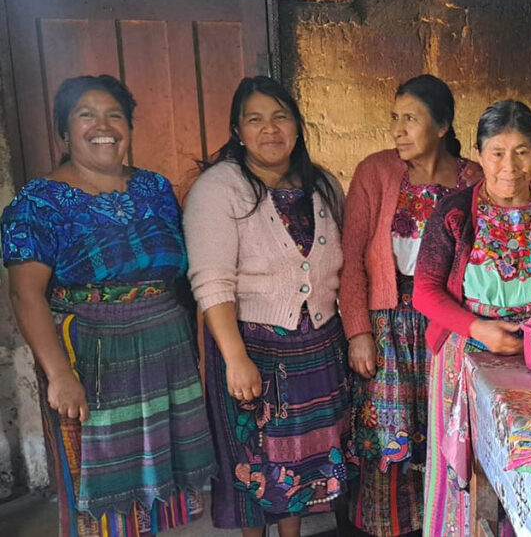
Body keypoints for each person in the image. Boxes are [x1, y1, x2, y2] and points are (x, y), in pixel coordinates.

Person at [1, 75, 216, 537]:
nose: (103, 126)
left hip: (164, 347)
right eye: (87, 115)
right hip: (92, 356)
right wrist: (59, 375)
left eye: (114, 115)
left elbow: (181, 272)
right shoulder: (37, 203)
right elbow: (25, 294)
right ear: (64, 132)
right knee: (101, 488)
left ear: (129, 128)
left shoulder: (155, 188)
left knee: (162, 482)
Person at [412, 100, 531, 536]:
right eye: (497, 152)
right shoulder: (455, 213)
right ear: (478, 155)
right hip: (468, 356)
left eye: (522, 152)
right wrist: (478, 328)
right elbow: (424, 290)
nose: (509, 166)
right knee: (471, 477)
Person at [184, 76, 349, 537]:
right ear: (238, 130)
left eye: (280, 117)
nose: (270, 129)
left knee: (299, 463)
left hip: (318, 348)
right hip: (252, 349)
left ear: (297, 126)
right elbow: (211, 280)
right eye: (255, 119)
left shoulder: (323, 185)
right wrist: (235, 358)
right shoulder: (219, 189)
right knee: (255, 464)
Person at [339, 75, 481, 537]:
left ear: (442, 125)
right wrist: (358, 331)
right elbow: (351, 258)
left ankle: (444, 526)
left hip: (448, 326)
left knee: (450, 434)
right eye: (394, 118)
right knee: (388, 439)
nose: (398, 130)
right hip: (388, 328)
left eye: (411, 119)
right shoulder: (375, 172)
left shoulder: (474, 179)